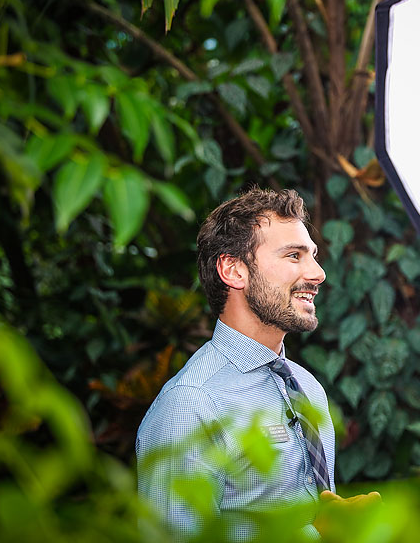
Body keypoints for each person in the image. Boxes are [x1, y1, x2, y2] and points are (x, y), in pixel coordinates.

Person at [137, 187, 340, 540]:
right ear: (233, 270)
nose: (318, 273)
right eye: (294, 256)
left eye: (313, 255)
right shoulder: (190, 405)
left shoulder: (308, 388)